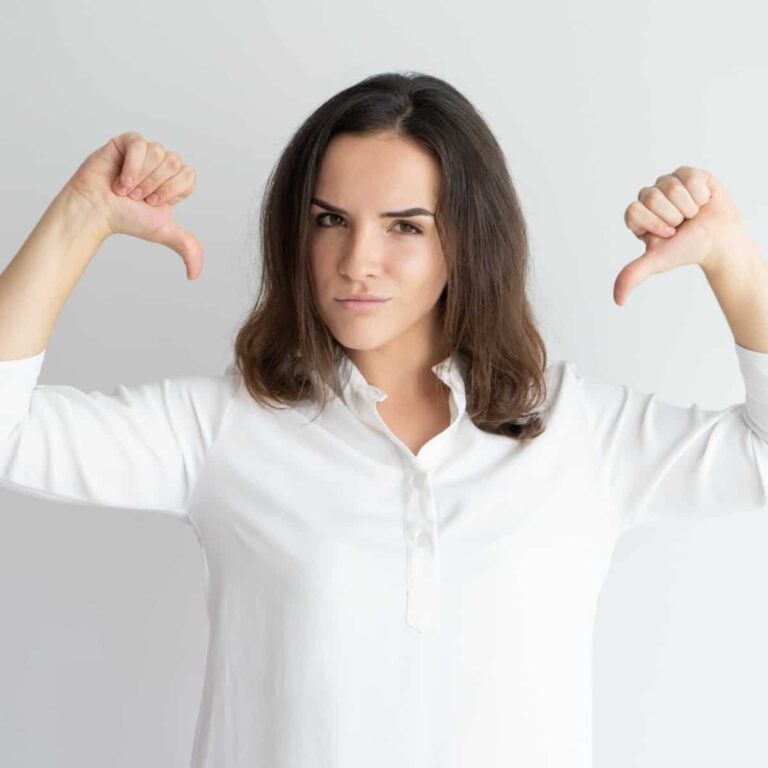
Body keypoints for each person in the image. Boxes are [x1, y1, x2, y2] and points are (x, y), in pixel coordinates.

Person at [1, 71, 767, 768]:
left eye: (406, 225)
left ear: (469, 240)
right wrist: (79, 219)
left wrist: (733, 260)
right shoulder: (224, 427)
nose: (356, 260)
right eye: (330, 219)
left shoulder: (581, 431)